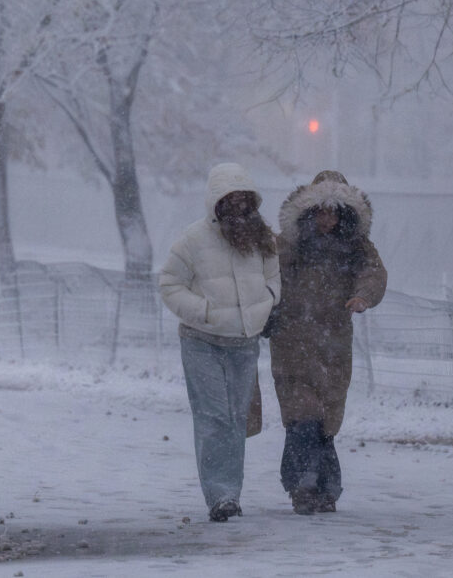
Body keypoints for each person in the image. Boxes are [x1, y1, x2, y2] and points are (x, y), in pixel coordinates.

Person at [158, 163, 280, 522]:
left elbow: (274, 275)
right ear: (217, 202)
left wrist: (266, 301)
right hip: (202, 341)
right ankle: (220, 496)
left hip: (244, 342)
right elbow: (169, 284)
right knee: (213, 418)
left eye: (245, 200)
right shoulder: (192, 240)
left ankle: (232, 492)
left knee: (235, 418)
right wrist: (204, 311)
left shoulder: (263, 240)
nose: (239, 207)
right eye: (232, 200)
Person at [265, 170, 387, 515]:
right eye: (320, 211)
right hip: (292, 340)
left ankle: (324, 487)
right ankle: (303, 485)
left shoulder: (356, 247)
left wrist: (363, 296)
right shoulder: (288, 244)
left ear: (345, 214)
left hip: (333, 343)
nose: (327, 220)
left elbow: (373, 273)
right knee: (303, 414)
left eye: (333, 213)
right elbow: (266, 272)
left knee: (326, 417)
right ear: (308, 211)